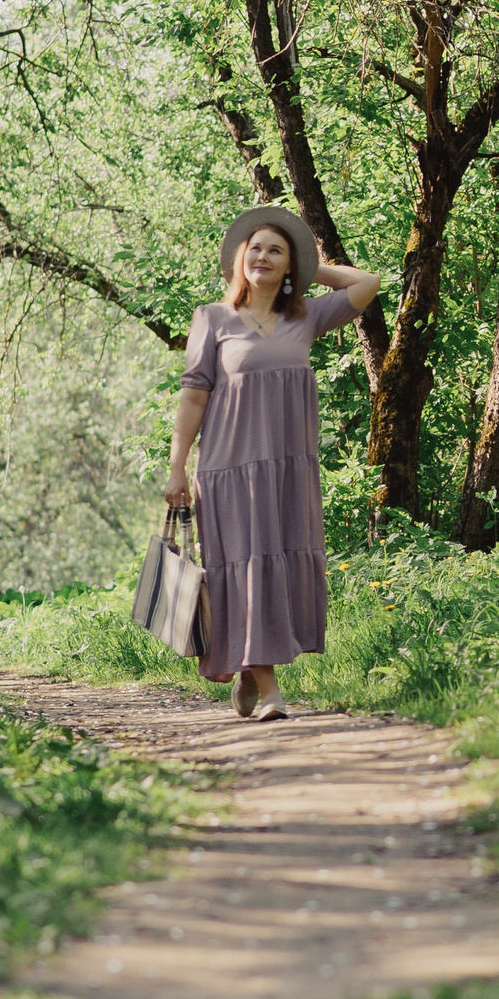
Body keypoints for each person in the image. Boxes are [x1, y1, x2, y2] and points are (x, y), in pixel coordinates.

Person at [164, 208, 379, 719]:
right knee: (242, 566)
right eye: (255, 248)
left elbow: (368, 282)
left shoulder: (305, 317)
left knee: (273, 566)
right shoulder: (212, 319)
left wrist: (311, 264)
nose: (262, 256)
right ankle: (272, 691)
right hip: (227, 468)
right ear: (240, 258)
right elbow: (194, 397)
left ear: (290, 269)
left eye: (276, 251)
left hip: (287, 472)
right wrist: (177, 467)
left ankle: (247, 668)